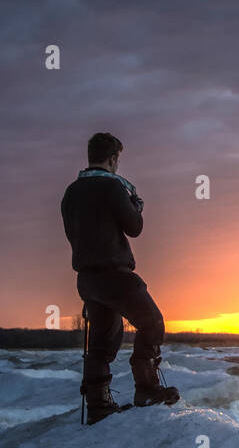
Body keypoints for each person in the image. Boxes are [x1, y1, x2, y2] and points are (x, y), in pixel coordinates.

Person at [61, 132, 179, 424]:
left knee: (103, 340)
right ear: (113, 159)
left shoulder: (71, 193)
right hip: (114, 272)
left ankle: (98, 406)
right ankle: (147, 389)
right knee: (152, 322)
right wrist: (135, 205)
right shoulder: (112, 187)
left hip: (87, 278)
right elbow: (134, 227)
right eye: (117, 160)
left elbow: (71, 234)